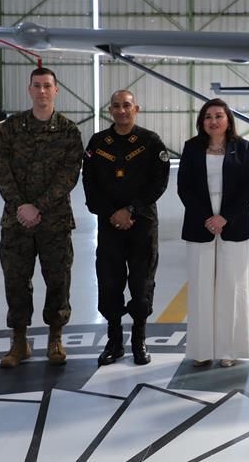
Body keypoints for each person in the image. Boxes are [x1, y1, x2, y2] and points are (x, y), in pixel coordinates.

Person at [0, 67, 83, 368]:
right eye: (37, 85)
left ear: (56, 90)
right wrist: (21, 206)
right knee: (16, 281)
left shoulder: (69, 131)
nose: (42, 91)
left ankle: (55, 338)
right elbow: (3, 173)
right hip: (16, 221)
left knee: (58, 280)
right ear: (29, 89)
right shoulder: (11, 128)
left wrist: (39, 207)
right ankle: (19, 343)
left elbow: (68, 176)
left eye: (47, 86)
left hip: (54, 221)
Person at [82, 90, 170, 366]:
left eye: (127, 106)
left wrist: (130, 210)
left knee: (142, 284)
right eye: (117, 106)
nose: (122, 110)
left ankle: (139, 340)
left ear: (136, 109)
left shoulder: (150, 142)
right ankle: (114, 341)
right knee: (110, 282)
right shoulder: (98, 143)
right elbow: (90, 184)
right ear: (110, 110)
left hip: (142, 224)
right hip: (110, 226)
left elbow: (159, 182)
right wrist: (112, 213)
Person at [178, 99, 249, 368]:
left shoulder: (242, 148)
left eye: (219, 116)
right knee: (200, 288)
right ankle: (201, 350)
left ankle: (228, 350)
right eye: (208, 116)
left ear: (228, 120)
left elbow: (248, 188)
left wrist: (225, 217)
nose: (213, 121)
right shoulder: (191, 148)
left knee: (231, 287)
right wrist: (207, 218)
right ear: (201, 122)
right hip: (200, 223)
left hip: (234, 223)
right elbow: (184, 188)